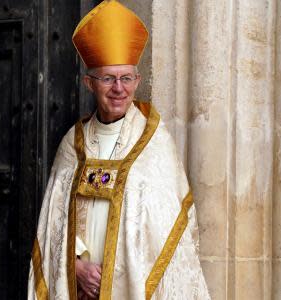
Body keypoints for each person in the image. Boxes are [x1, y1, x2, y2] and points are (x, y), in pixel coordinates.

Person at [27, 1, 210, 299]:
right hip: (80, 289)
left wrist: (119, 272)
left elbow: (167, 233)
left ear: (137, 81)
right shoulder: (72, 145)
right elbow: (55, 224)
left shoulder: (155, 143)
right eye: (108, 78)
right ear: (89, 83)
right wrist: (77, 266)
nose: (119, 89)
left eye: (126, 78)